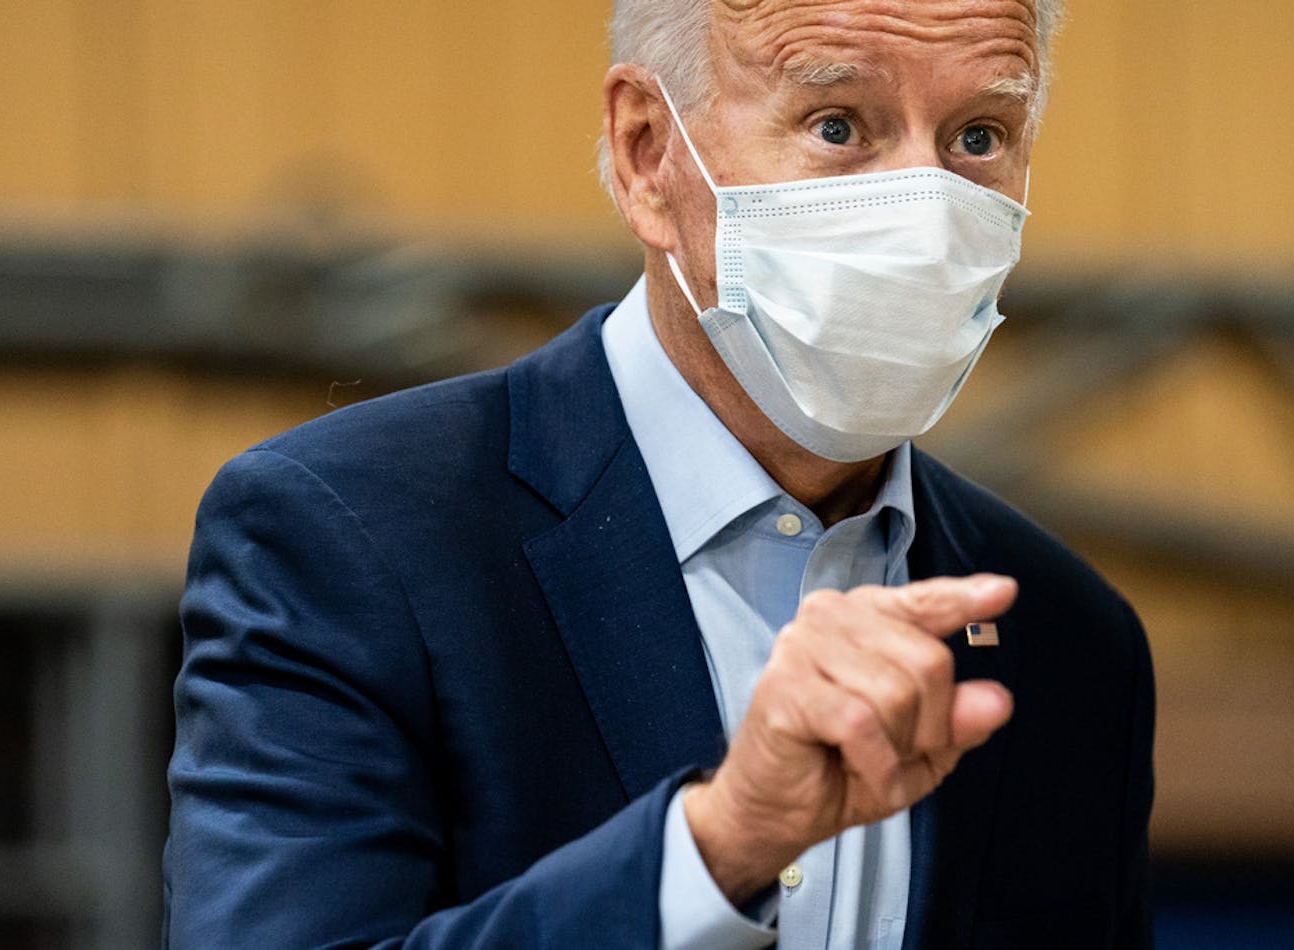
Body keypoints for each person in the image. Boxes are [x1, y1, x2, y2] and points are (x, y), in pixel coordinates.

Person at [164, 0, 1154, 947]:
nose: (923, 213)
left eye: (978, 137)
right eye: (837, 123)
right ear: (647, 152)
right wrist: (717, 847)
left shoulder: (1069, 639)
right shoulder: (351, 534)